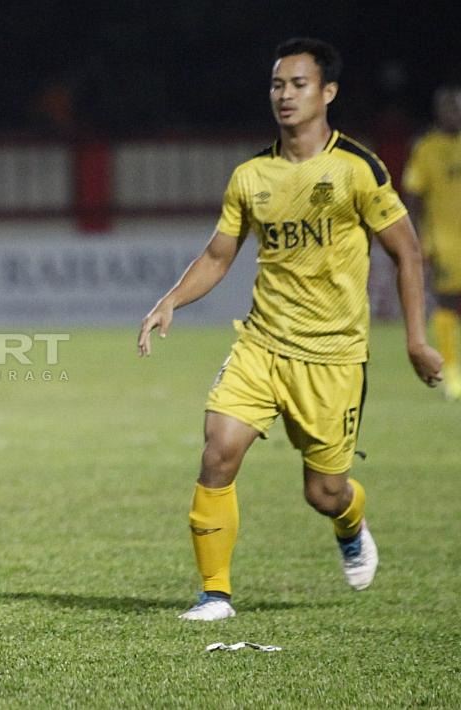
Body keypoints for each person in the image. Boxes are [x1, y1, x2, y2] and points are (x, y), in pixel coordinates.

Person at [137, 38, 443, 621]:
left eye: (298, 84)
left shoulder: (358, 168)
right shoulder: (251, 175)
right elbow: (218, 256)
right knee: (219, 451)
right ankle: (215, 595)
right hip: (261, 344)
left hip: (333, 356)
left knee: (323, 492)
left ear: (327, 92)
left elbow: (407, 253)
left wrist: (415, 340)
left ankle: (350, 522)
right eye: (278, 84)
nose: (285, 95)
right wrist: (169, 300)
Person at [403, 83, 461, 400]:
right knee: (448, 303)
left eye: (458, 107)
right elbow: (413, 194)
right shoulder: (426, 148)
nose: (455, 113)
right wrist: (419, 238)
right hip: (444, 242)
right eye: (450, 108)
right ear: (439, 113)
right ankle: (451, 371)